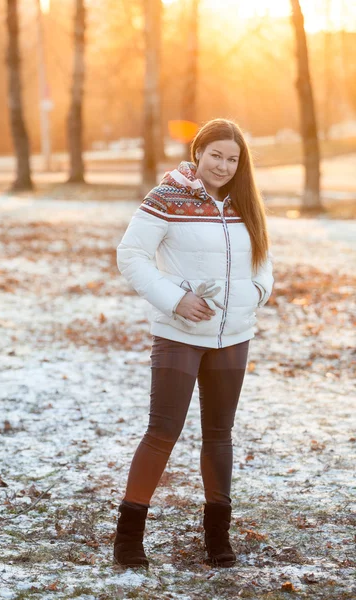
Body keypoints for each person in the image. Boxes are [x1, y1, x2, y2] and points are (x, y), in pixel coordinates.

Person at [113, 118, 274, 569]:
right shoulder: (167, 197)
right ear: (198, 152)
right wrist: (175, 298)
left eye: (232, 158)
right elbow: (131, 255)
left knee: (219, 436)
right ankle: (129, 538)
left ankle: (217, 539)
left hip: (233, 336)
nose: (223, 166)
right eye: (216, 155)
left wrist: (256, 293)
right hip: (179, 334)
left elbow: (264, 260)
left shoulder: (246, 202)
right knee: (162, 432)